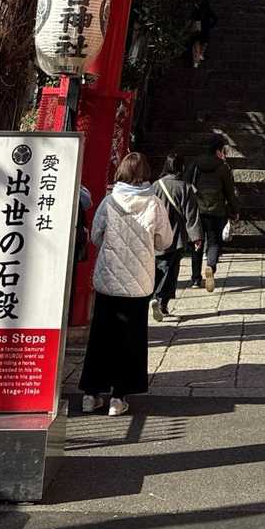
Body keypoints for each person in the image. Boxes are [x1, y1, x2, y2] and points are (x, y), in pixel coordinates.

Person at [79, 152, 173, 417]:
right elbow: (165, 241)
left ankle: (90, 395)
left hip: (108, 279)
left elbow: (96, 236)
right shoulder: (154, 203)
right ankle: (118, 398)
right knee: (130, 339)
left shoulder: (109, 201)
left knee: (101, 337)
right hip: (138, 282)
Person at [148, 152, 202, 321]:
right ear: (181, 167)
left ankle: (154, 296)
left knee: (156, 267)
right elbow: (191, 215)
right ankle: (161, 301)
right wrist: (196, 237)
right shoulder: (185, 188)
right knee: (170, 271)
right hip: (176, 236)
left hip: (156, 235)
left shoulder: (155, 186)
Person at [188, 131, 240, 291]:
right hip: (217, 210)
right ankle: (210, 266)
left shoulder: (195, 164)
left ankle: (196, 279)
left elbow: (186, 183)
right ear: (218, 149)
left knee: (197, 242)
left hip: (198, 209)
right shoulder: (223, 167)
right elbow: (230, 192)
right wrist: (235, 210)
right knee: (214, 242)